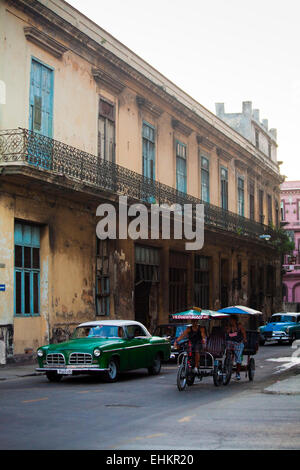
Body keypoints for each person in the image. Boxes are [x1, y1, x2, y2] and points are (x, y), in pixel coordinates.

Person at [225, 315, 247, 380]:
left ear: (234, 320)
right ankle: (228, 362)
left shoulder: (239, 326)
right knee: (227, 350)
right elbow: (227, 334)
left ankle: (238, 373)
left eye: (231, 320)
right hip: (230, 342)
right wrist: (230, 329)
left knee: (238, 357)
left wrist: (244, 340)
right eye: (230, 320)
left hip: (238, 343)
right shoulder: (229, 327)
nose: (230, 321)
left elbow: (244, 335)